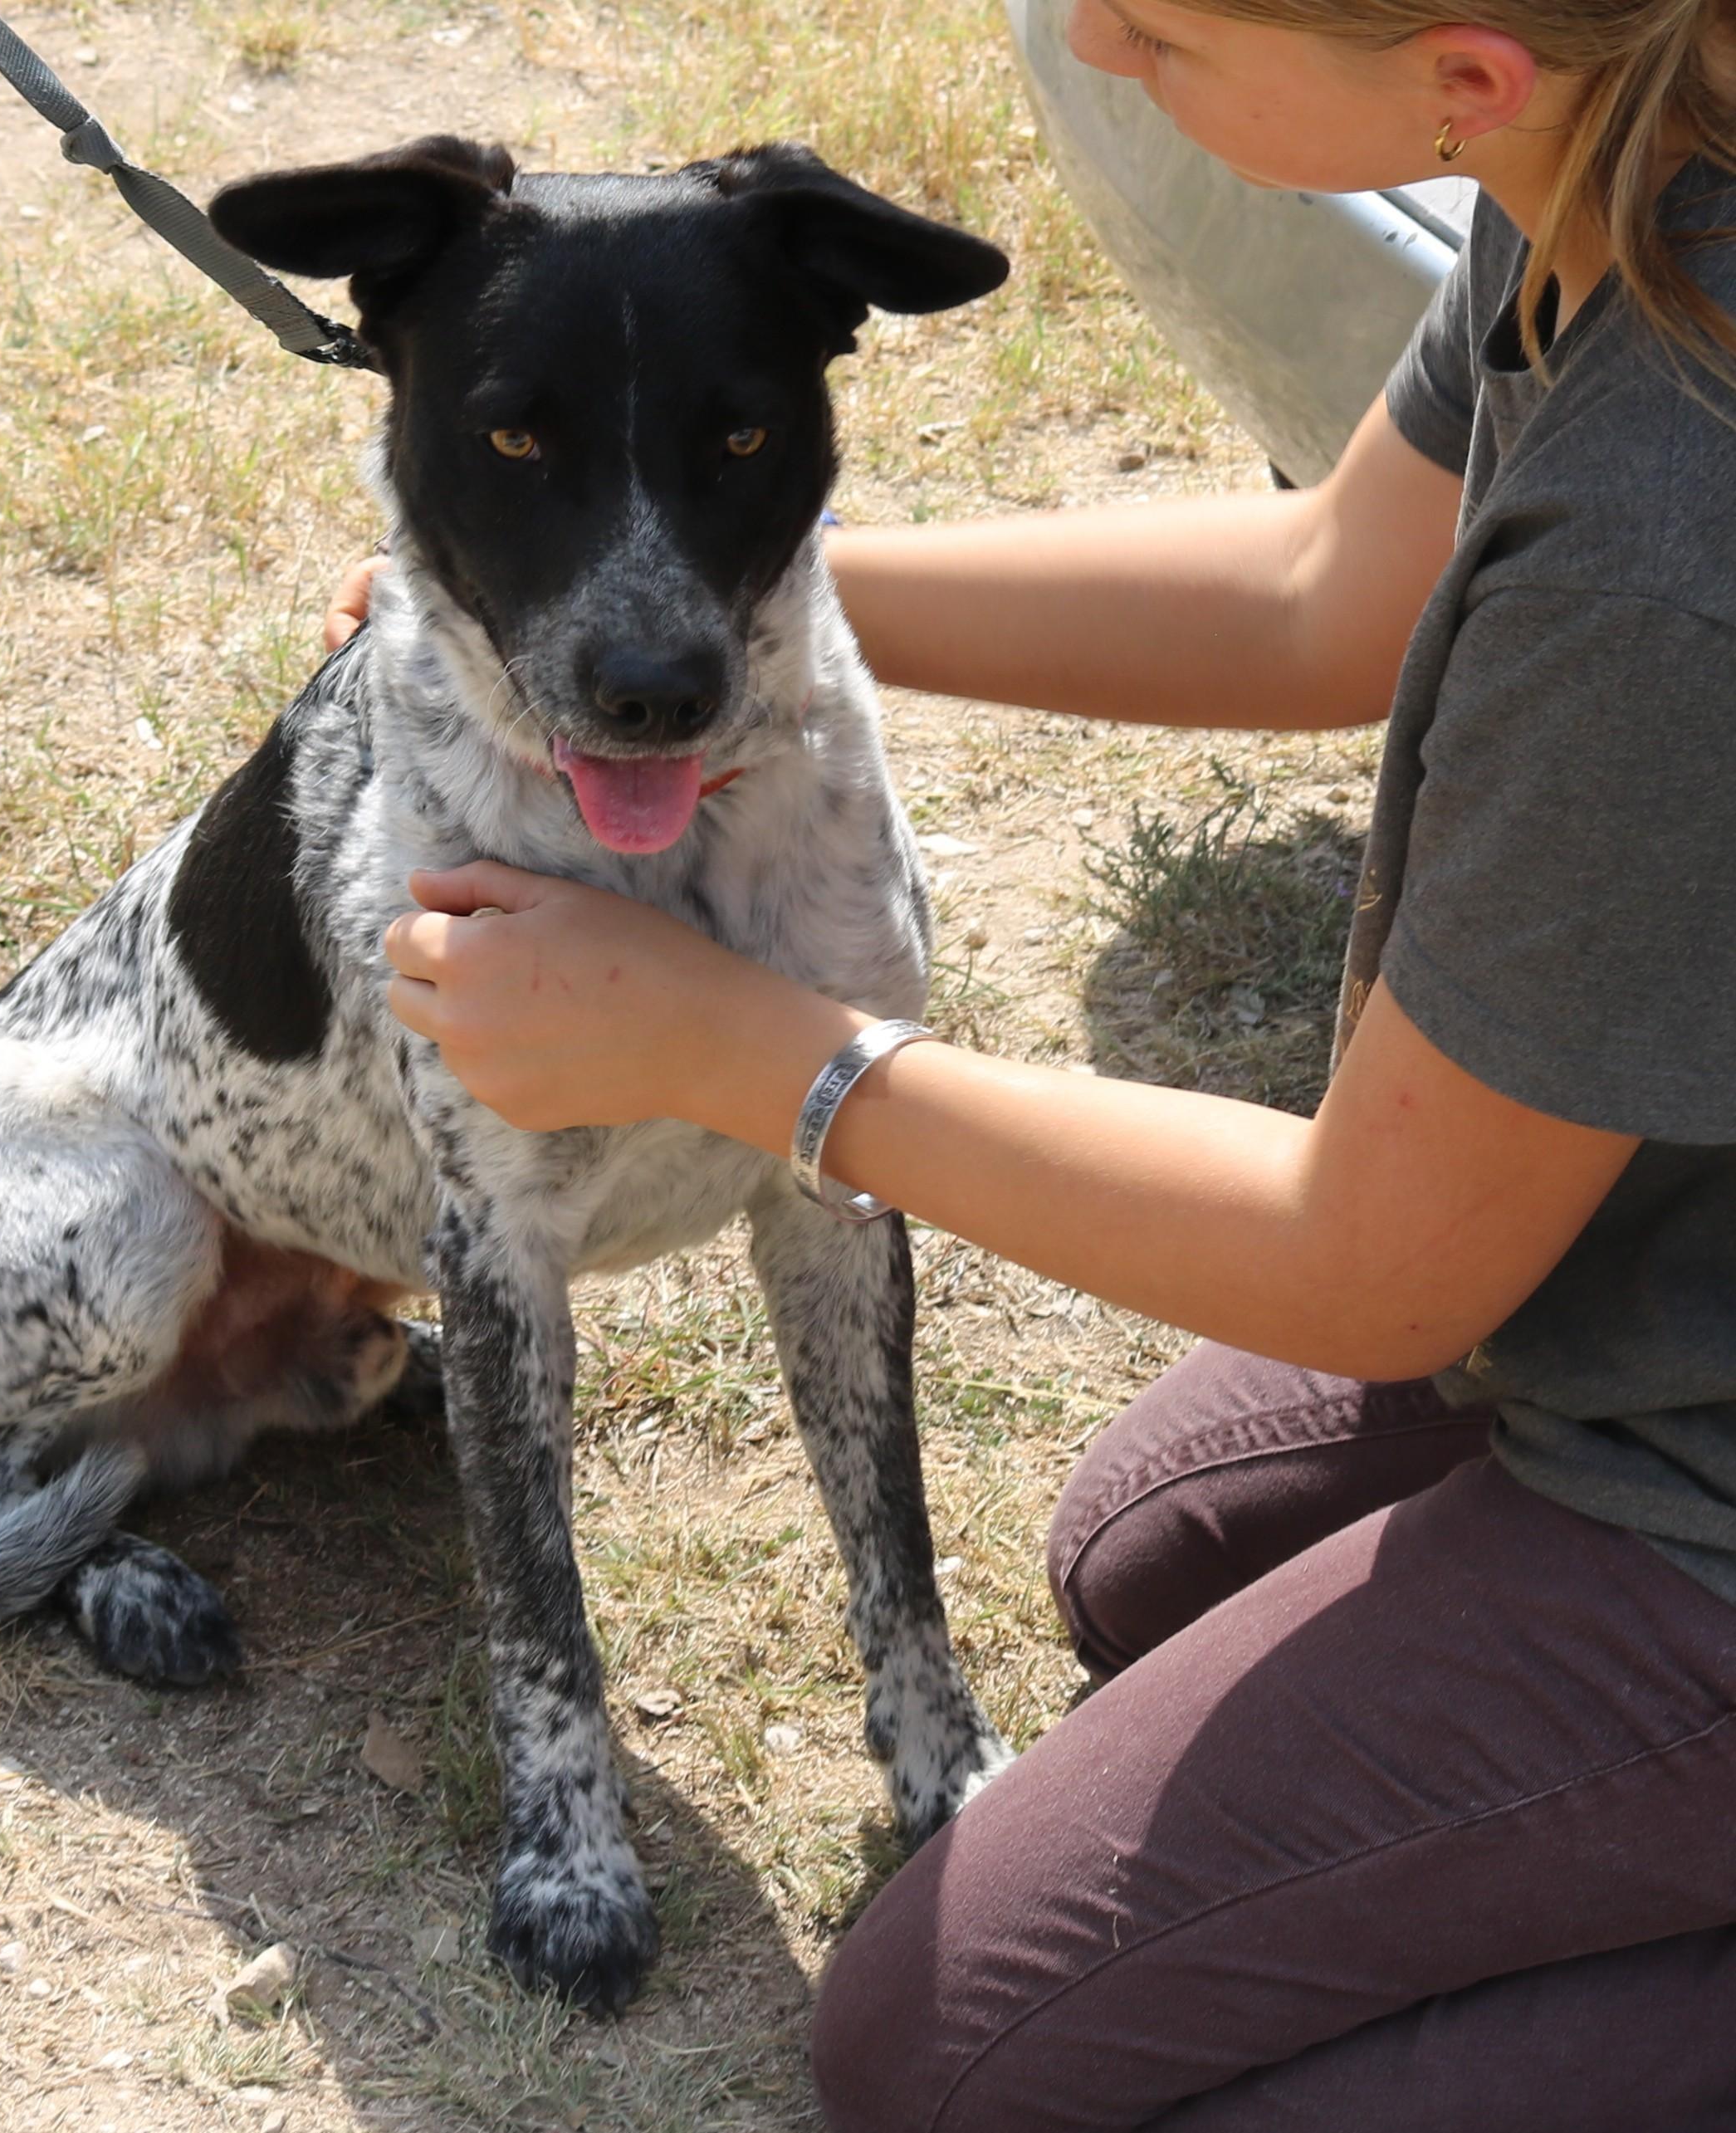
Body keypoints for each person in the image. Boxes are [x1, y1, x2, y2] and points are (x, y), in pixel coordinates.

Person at [360, 1, 1736, 2122]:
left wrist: (750, 1050)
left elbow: (1374, 1272)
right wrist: (672, 626)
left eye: (1162, 23)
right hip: (1655, 1279)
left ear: (1459, 79)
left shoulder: (1672, 548)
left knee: (949, 2042)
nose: (1088, 31)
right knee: (1145, 1542)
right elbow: (1313, 595)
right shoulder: (1613, 177)